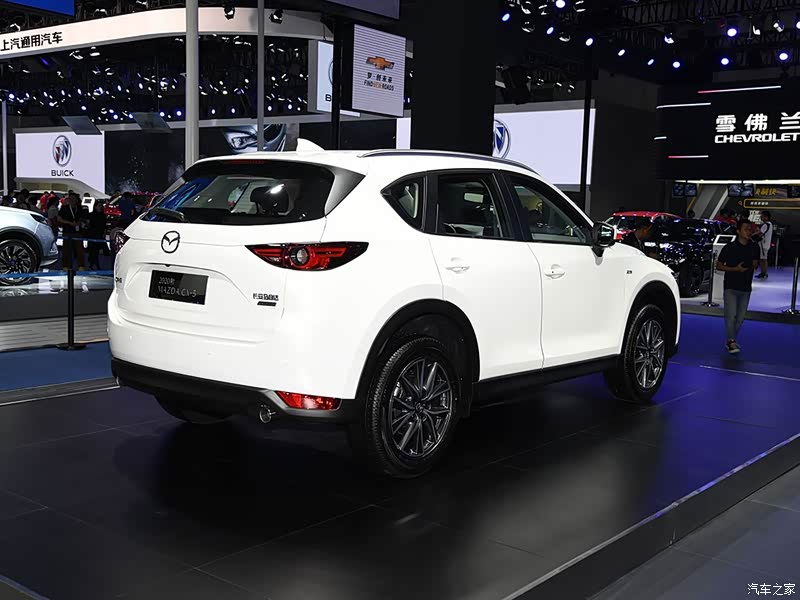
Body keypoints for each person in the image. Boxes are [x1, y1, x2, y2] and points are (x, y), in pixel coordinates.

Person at [716, 219, 760, 354]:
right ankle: (731, 341)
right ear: (738, 231)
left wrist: (753, 264)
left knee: (740, 318)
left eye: (750, 229)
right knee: (731, 315)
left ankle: (731, 339)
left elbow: (755, 262)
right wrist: (735, 269)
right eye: (746, 229)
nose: (749, 231)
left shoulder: (754, 247)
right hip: (731, 285)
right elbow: (719, 265)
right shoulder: (729, 247)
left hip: (746, 287)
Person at [58, 193, 86, 270]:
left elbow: (83, 218)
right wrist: (69, 223)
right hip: (67, 231)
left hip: (78, 232)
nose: (72, 200)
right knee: (66, 249)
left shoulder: (79, 208)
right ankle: (66, 266)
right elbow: (59, 219)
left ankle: (81, 266)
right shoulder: (64, 208)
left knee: (80, 249)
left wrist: (79, 222)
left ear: (77, 200)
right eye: (70, 199)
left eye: (73, 199)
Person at [86, 202, 106, 270]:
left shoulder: (103, 215)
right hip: (92, 234)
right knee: (92, 250)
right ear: (95, 207)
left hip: (99, 234)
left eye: (101, 206)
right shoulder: (91, 215)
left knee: (97, 250)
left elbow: (104, 226)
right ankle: (92, 263)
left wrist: (104, 233)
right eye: (99, 206)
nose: (100, 207)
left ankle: (94, 263)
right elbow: (88, 225)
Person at [754, 210, 773, 279]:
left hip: (763, 245)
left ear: (766, 217)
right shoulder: (768, 224)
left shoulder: (766, 224)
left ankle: (764, 273)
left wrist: (752, 234)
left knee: (764, 259)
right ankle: (763, 272)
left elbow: (760, 233)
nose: (761, 218)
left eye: (762, 216)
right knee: (762, 259)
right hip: (764, 244)